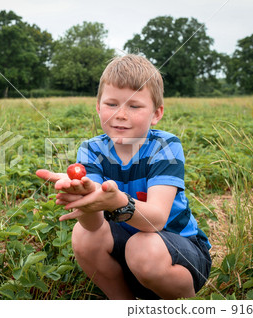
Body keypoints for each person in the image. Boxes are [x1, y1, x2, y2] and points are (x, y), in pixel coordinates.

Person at [36, 54, 211, 300]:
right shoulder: (92, 149)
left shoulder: (165, 146)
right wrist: (85, 198)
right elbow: (94, 225)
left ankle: (182, 304)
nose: (120, 114)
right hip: (127, 256)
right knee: (82, 235)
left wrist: (119, 202)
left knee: (143, 246)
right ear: (98, 107)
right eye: (111, 104)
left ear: (156, 113)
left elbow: (157, 220)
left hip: (177, 255)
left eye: (134, 106)